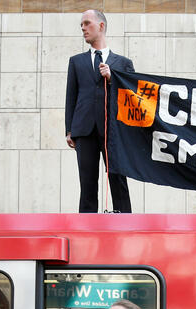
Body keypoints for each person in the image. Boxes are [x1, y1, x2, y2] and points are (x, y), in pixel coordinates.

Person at [65, 9, 134, 214]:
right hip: (84, 130)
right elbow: (71, 96)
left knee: (118, 179)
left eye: (87, 23)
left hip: (114, 131)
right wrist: (69, 129)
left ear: (101, 26)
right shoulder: (76, 61)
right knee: (87, 183)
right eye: (82, 25)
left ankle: (125, 222)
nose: (83, 28)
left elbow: (131, 96)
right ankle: (87, 227)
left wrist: (113, 78)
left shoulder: (123, 63)